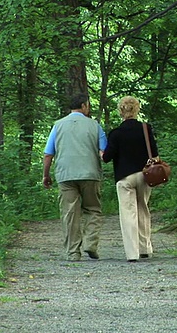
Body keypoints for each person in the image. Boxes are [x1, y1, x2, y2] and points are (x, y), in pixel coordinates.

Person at [42, 94, 107, 261]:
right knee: (93, 209)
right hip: (90, 173)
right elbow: (104, 152)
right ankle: (90, 244)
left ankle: (73, 252)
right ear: (84, 106)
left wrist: (46, 175)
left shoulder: (58, 126)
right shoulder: (95, 126)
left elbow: (48, 154)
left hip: (65, 175)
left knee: (70, 212)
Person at [102, 96, 158, 262]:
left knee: (128, 214)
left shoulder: (116, 133)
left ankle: (132, 253)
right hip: (144, 175)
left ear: (121, 111)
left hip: (124, 177)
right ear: (137, 109)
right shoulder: (146, 129)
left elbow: (107, 158)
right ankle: (145, 248)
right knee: (143, 210)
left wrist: (102, 153)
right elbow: (155, 154)